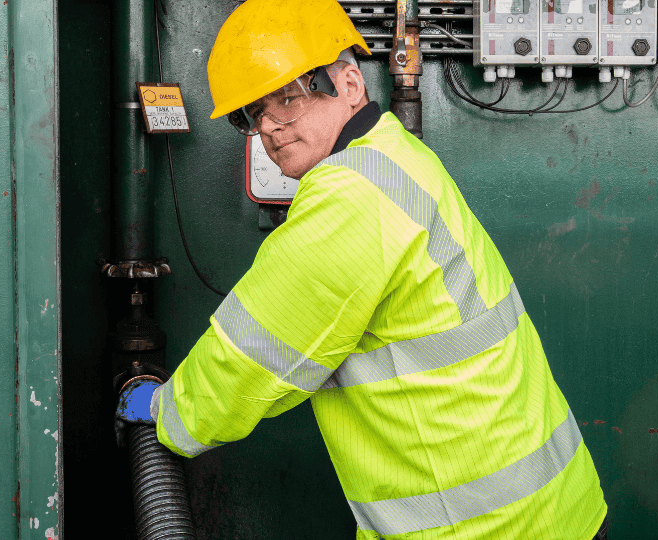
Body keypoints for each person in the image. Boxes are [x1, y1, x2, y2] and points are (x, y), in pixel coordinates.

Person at [118, 0, 608, 537]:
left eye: (288, 97)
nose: (270, 127)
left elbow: (251, 358)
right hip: (553, 506)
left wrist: (166, 411)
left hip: (485, 525)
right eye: (254, 114)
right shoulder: (394, 154)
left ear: (349, 83)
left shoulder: (349, 196)